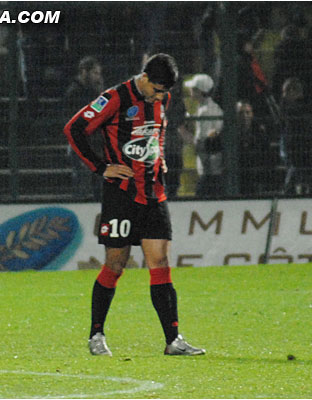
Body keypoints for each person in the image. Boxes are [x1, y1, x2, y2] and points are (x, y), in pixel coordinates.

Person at [64, 53, 205, 356]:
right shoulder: (114, 98)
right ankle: (96, 335)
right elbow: (74, 129)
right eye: (156, 90)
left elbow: (156, 133)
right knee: (115, 264)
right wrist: (101, 168)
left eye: (165, 92)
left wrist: (160, 160)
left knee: (161, 263)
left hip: (154, 192)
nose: (160, 97)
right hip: (121, 194)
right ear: (144, 78)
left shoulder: (162, 99)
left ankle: (173, 340)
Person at [63, 56, 105, 201]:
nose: (97, 77)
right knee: (83, 182)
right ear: (83, 72)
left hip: (96, 144)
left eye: (98, 73)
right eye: (94, 73)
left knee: (97, 184)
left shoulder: (94, 91)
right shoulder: (74, 93)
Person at [184, 74, 224, 198]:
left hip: (210, 170)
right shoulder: (212, 107)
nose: (190, 91)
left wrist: (182, 131)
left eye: (193, 88)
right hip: (213, 167)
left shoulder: (205, 111)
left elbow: (202, 143)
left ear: (199, 91)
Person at [236, 101, 278, 195]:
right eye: (241, 113)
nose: (244, 116)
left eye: (247, 112)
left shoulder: (259, 131)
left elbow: (266, 153)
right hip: (237, 175)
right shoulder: (230, 131)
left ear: (252, 114)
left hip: (255, 175)